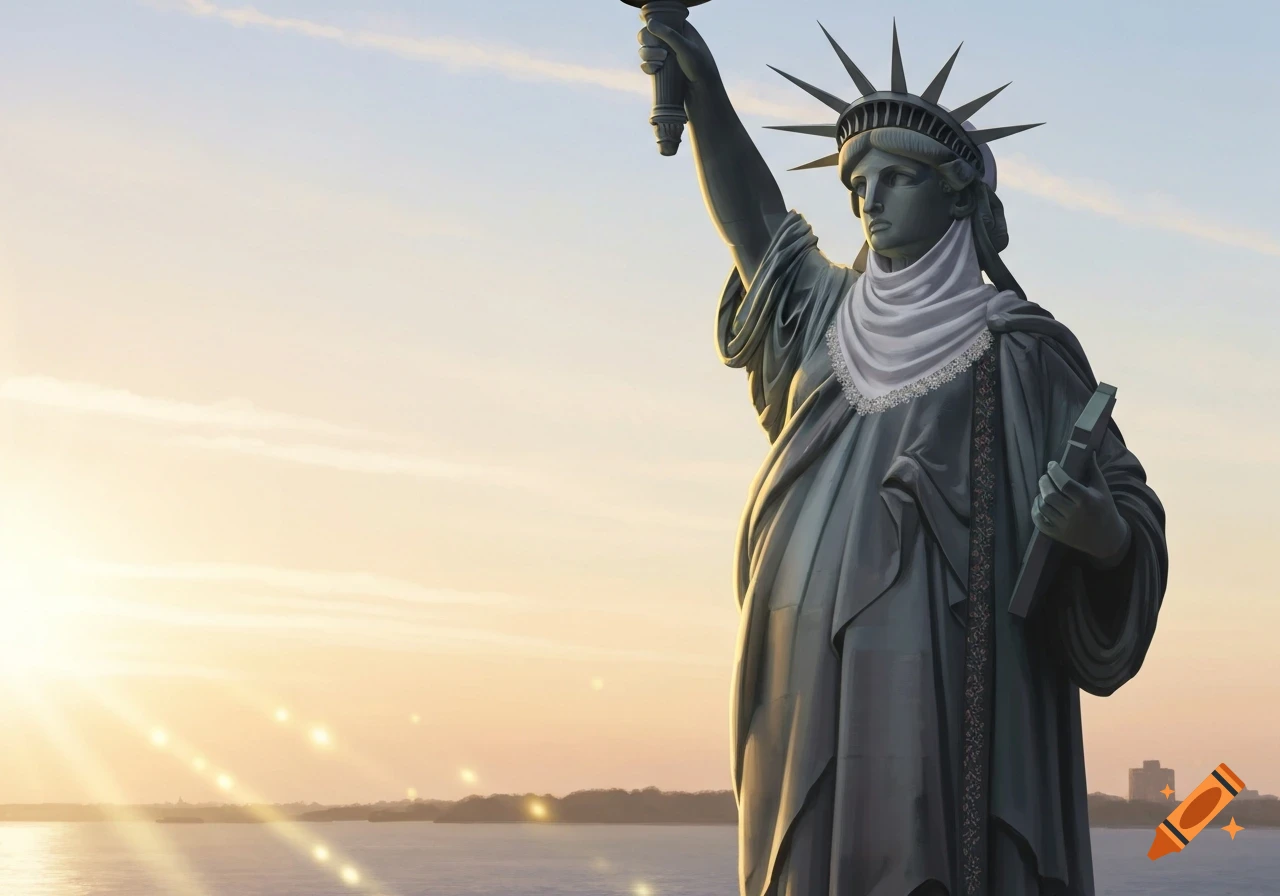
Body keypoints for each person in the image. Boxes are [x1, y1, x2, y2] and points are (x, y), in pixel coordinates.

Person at [636, 17, 1168, 896]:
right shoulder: (823, 315)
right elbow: (755, 226)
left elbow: (1126, 511)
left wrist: (1102, 533)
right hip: (806, 675)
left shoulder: (1023, 352)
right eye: (857, 185)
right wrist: (703, 95)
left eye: (895, 178)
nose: (869, 201)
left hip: (957, 681)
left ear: (959, 197)